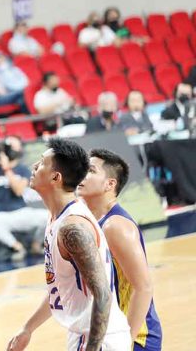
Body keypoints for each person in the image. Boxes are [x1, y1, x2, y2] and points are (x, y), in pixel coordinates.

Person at [7, 138, 130, 351]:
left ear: (56, 177)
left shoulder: (73, 228)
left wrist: (93, 348)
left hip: (100, 339)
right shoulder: (56, 218)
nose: (35, 167)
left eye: (42, 163)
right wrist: (28, 328)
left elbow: (103, 295)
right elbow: (62, 287)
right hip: (82, 334)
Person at [77, 149, 162, 350]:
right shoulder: (88, 221)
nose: (82, 174)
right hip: (105, 333)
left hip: (135, 337)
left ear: (110, 184)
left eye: (90, 170)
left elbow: (144, 288)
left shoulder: (115, 226)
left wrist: (125, 341)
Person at [0, 136, 47, 261]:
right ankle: (17, 247)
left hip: (20, 212)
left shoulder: (22, 169)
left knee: (47, 216)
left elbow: (18, 190)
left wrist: (6, 168)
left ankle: (36, 245)